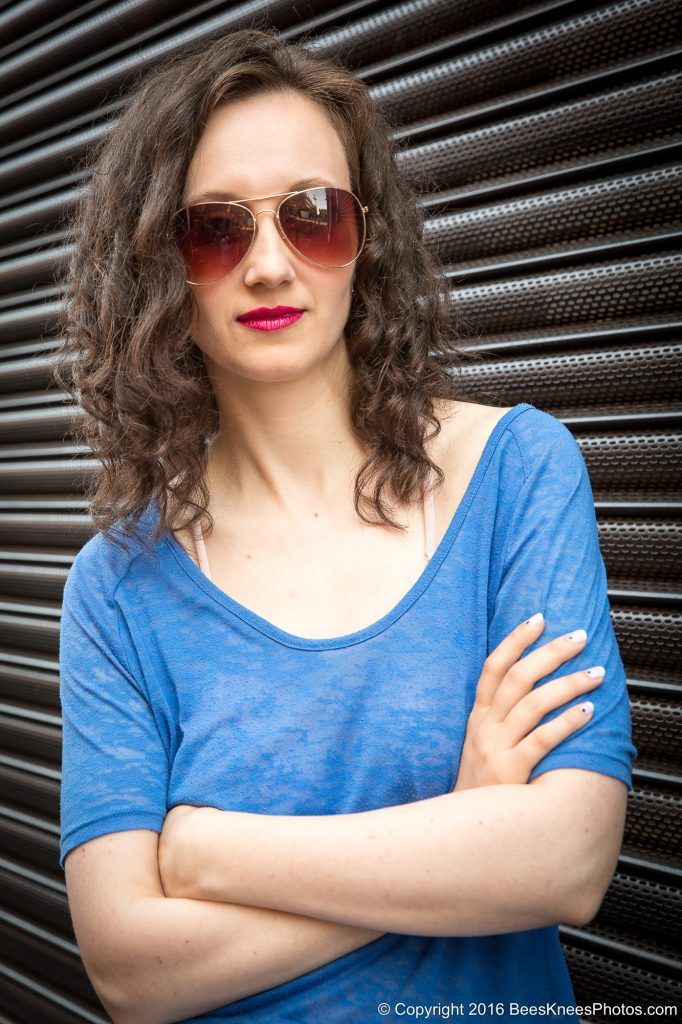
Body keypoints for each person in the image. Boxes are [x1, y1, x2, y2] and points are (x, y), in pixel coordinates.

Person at [54, 27, 637, 1024]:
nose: (271, 264)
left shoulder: (515, 473)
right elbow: (130, 974)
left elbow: (566, 859)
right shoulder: (116, 585)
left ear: (365, 236)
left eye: (313, 216)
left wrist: (211, 852)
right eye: (216, 228)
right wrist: (457, 832)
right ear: (159, 264)